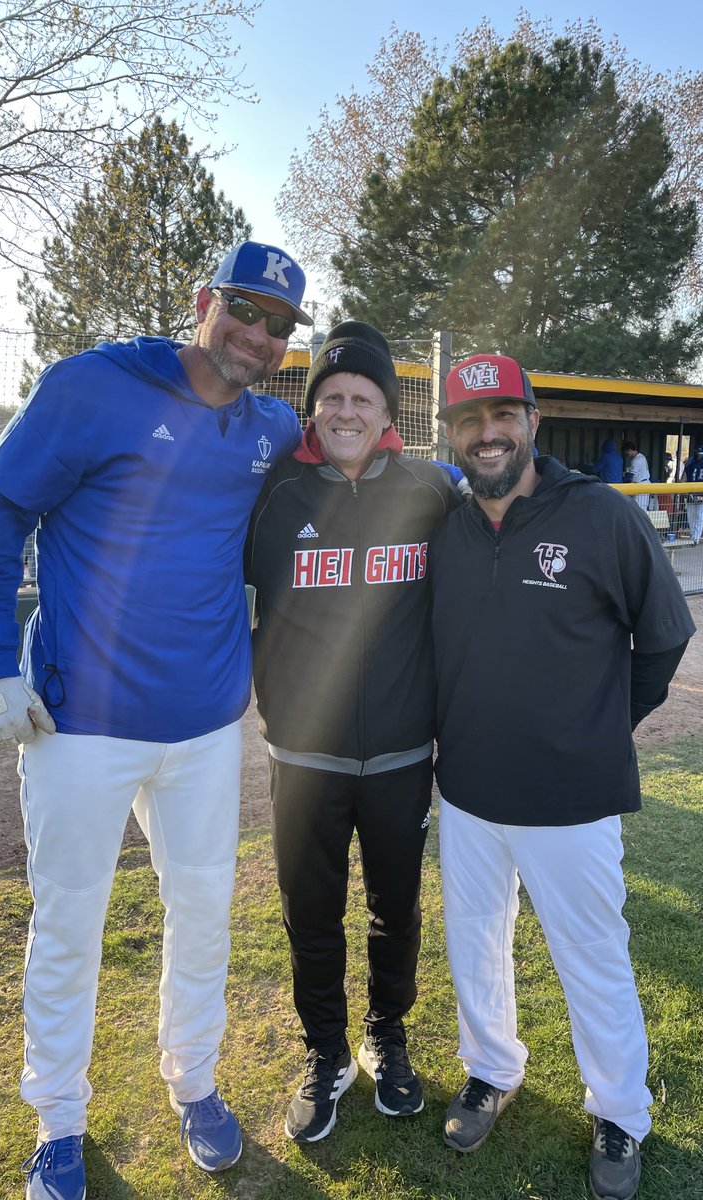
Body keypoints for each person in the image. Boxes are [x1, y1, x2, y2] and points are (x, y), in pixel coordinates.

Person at [0, 240, 313, 1200]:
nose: (258, 333)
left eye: (279, 324)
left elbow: (344, 451)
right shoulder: (91, 385)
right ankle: (58, 1125)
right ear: (205, 301)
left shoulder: (270, 428)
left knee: (204, 916)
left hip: (203, 730)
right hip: (80, 726)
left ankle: (192, 1082)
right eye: (244, 309)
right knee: (69, 921)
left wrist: (408, 458)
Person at [429, 354, 694, 1200]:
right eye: (469, 419)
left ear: (533, 421)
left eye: (503, 414)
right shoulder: (447, 524)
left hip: (571, 797)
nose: (487, 433)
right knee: (474, 941)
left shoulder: (600, 516)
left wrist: (600, 725)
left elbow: (661, 639)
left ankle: (619, 1111)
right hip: (467, 788)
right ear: (451, 434)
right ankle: (491, 1068)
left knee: (592, 954)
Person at [245, 322, 460, 1144]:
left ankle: (387, 1037)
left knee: (395, 908)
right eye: (330, 397)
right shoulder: (272, 495)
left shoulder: (429, 491)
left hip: (403, 754)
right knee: (311, 911)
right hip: (302, 756)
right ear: (312, 410)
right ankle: (325, 1051)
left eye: (361, 397)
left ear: (385, 411)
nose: (344, 409)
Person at [682, 445, 703, 545]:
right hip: (691, 496)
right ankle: (693, 537)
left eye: (701, 453)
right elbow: (683, 480)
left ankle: (695, 539)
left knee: (700, 517)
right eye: (697, 453)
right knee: (691, 517)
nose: (699, 455)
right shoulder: (689, 466)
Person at [620, 440, 651, 510]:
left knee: (639, 509)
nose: (626, 454)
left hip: (642, 485)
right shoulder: (640, 457)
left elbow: (629, 476)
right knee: (639, 508)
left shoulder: (637, 460)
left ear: (630, 450)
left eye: (626, 452)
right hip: (642, 484)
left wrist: (619, 481)